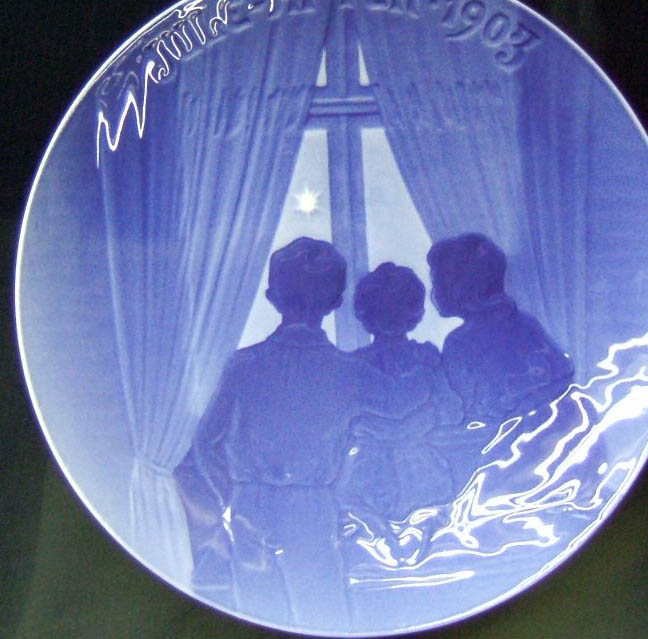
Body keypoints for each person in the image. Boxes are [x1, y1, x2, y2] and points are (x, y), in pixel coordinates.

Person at [174, 238, 411, 629]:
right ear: (337, 302)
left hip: (250, 504)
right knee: (323, 609)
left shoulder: (244, 366)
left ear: (272, 297)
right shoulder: (351, 373)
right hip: (312, 507)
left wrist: (222, 499)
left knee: (255, 606)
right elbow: (404, 408)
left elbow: (206, 445)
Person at [339, 263, 463, 560]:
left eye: (397, 309)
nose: (392, 317)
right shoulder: (355, 366)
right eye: (385, 310)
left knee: (425, 546)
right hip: (382, 470)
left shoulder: (423, 358)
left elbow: (453, 411)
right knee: (377, 546)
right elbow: (451, 412)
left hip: (408, 468)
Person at [427, 233, 574, 426]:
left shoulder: (459, 344)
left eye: (437, 281)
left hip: (515, 431)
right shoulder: (525, 322)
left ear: (458, 289)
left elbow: (464, 409)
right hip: (558, 420)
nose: (435, 291)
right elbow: (562, 370)